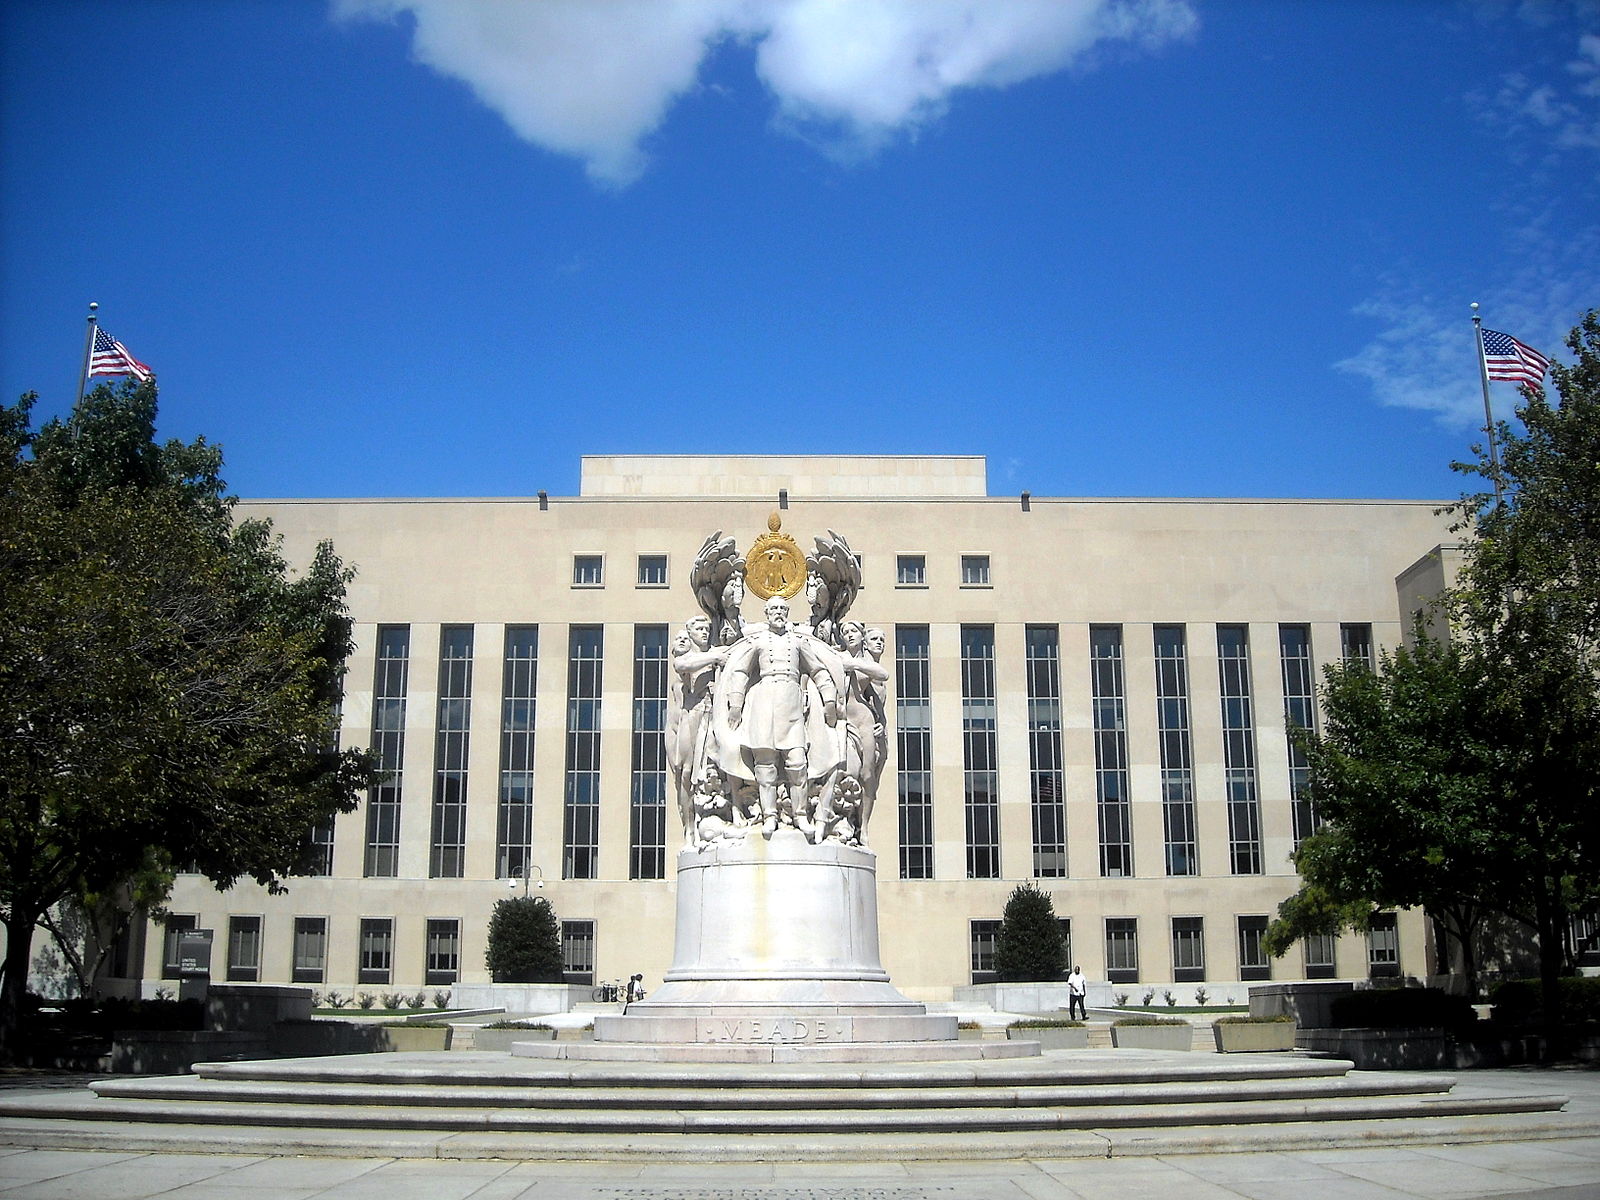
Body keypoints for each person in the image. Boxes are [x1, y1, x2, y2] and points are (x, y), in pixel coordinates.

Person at [721, 595, 840, 834]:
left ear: (787, 612)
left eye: (782, 608)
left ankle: (800, 815)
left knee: (797, 763)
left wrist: (829, 700)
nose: (778, 612)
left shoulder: (798, 641)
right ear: (766, 613)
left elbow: (817, 670)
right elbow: (742, 672)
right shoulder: (758, 641)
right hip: (764, 700)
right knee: (765, 764)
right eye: (773, 608)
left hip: (791, 701)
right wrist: (736, 703)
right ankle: (769, 816)